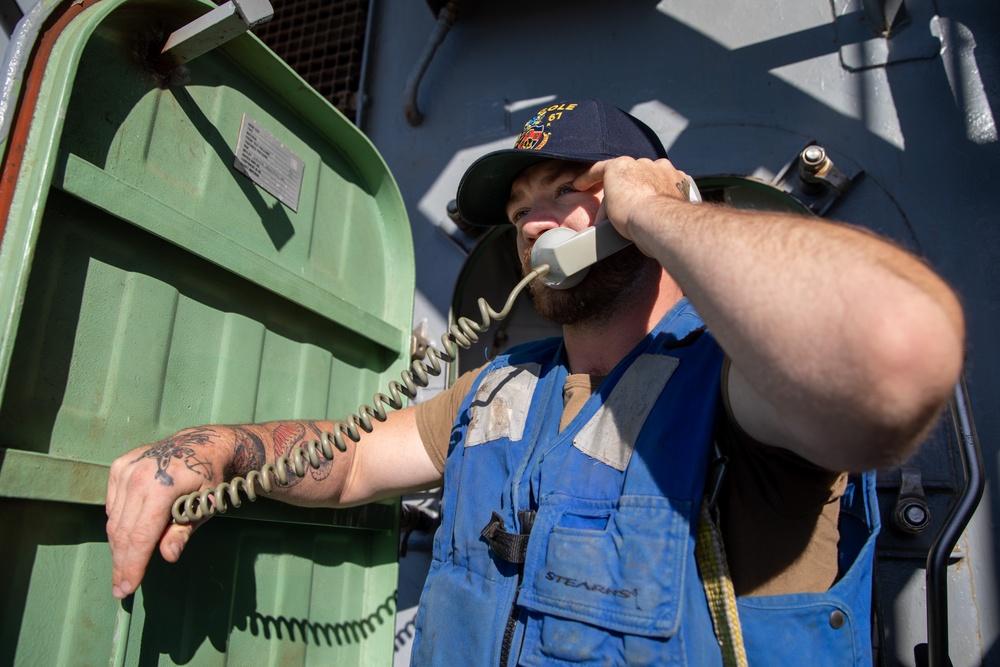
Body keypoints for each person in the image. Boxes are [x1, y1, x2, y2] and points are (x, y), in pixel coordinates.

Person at [105, 99, 965, 665]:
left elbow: (893, 349)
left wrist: (660, 214)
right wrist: (221, 447)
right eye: (520, 213)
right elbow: (353, 462)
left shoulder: (735, 389)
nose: (534, 225)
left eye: (568, 193)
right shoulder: (502, 389)